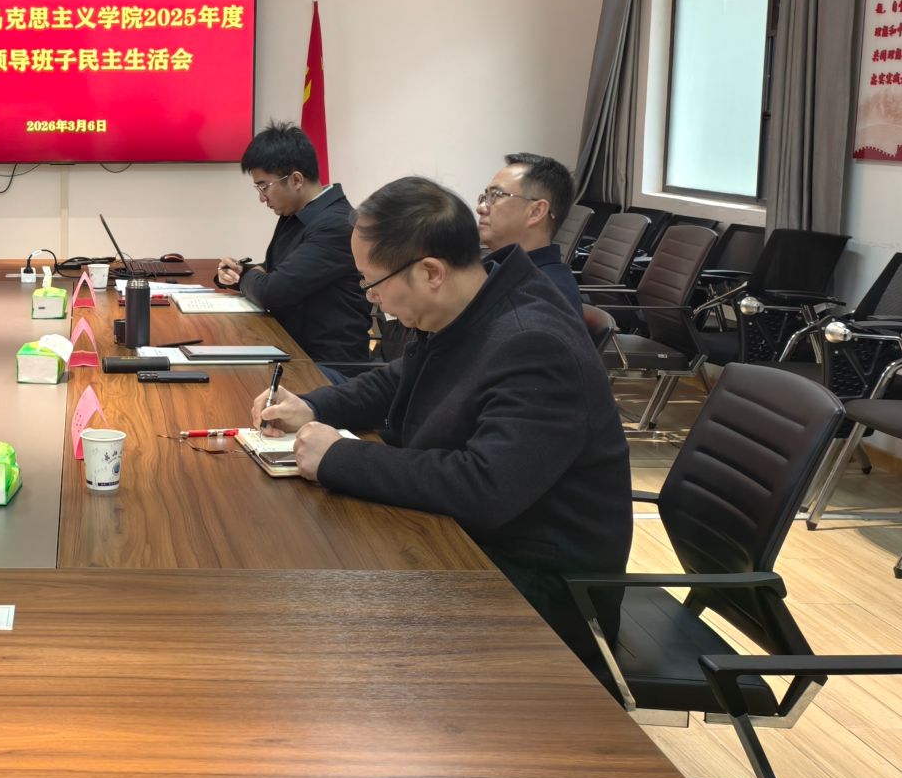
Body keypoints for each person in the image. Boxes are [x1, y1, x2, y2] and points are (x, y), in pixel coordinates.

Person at [252, 177, 630, 688]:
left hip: (535, 590)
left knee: (314, 628)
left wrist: (338, 456)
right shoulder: (473, 304)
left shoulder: (534, 342)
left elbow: (485, 486)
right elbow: (400, 378)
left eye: (373, 283)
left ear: (430, 271)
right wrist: (313, 405)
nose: (373, 299)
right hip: (461, 543)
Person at [213, 124, 370, 365]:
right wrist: (238, 272)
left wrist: (246, 277)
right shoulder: (296, 214)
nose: (262, 198)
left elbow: (272, 292)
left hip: (324, 365)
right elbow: (274, 270)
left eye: (264, 186)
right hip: (289, 349)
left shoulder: (336, 225)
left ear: (296, 180)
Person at [476, 152, 583, 311]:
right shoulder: (509, 271)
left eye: (496, 195)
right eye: (485, 197)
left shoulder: (544, 298)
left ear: (536, 212)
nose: (480, 208)